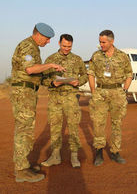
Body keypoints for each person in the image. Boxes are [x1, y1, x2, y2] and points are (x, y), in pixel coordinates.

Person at [10, 23, 65, 182]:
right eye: (47, 39)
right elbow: (30, 70)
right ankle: (21, 170)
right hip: (23, 93)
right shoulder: (28, 46)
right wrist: (50, 65)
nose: (48, 42)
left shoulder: (34, 48)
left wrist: (53, 81)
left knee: (26, 129)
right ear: (39, 34)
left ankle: (23, 165)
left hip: (28, 92)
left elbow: (36, 76)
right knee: (24, 130)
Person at [41, 34, 88, 168]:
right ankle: (55, 156)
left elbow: (85, 74)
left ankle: (74, 156)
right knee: (55, 127)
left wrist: (79, 81)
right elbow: (42, 79)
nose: (67, 49)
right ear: (59, 43)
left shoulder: (77, 59)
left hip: (71, 97)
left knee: (73, 126)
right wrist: (52, 83)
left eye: (69, 46)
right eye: (64, 46)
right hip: (55, 97)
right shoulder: (50, 59)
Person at [88, 30, 133, 166]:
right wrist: (94, 91)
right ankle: (99, 152)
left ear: (111, 41)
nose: (101, 44)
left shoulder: (122, 56)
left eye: (103, 42)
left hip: (117, 92)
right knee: (98, 123)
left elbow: (129, 74)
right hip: (100, 92)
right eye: (100, 42)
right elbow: (91, 73)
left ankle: (115, 152)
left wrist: (124, 90)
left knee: (117, 124)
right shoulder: (96, 56)